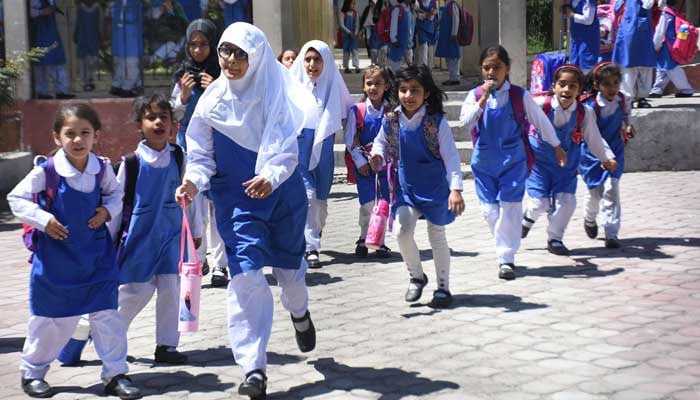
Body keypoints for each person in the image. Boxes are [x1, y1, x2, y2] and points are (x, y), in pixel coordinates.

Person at [174, 22, 319, 400]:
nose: (231, 61)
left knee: (290, 274)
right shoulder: (211, 102)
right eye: (226, 52)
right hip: (237, 202)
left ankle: (299, 313)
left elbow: (287, 150)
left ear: (256, 58)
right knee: (246, 278)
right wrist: (193, 180)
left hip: (282, 197)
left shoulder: (276, 95)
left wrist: (270, 177)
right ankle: (253, 367)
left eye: (240, 54)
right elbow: (201, 154)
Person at [7, 103, 140, 399]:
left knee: (107, 316)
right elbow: (16, 198)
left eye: (85, 133)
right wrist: (44, 219)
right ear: (57, 138)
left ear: (95, 136)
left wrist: (107, 210)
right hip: (56, 262)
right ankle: (33, 372)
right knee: (50, 320)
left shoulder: (102, 168)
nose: (78, 140)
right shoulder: (48, 170)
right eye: (70, 134)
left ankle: (116, 373)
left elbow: (116, 194)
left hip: (96, 257)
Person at [108, 94, 203, 366]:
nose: (159, 122)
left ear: (174, 124)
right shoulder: (130, 164)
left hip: (172, 237)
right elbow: (117, 205)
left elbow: (190, 197)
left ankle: (167, 346)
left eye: (164, 117)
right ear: (139, 124)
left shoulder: (179, 156)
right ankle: (108, 335)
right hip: (140, 239)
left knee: (172, 290)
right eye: (151, 117)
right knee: (135, 291)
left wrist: (195, 231)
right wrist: (109, 241)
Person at [459, 45, 566, 281]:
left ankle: (506, 258)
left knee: (510, 207)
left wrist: (556, 145)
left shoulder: (519, 95)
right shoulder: (476, 95)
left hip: (513, 161)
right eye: (486, 67)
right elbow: (464, 122)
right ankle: (505, 241)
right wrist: (483, 100)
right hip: (484, 162)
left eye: (496, 67)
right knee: (489, 211)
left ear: (506, 68)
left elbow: (540, 120)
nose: (491, 72)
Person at [369, 64, 464, 308]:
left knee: (437, 236)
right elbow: (380, 143)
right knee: (401, 231)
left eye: (415, 90)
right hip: (406, 189)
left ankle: (443, 287)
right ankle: (417, 276)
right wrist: (377, 155)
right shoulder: (391, 120)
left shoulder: (436, 123)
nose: (408, 96)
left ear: (427, 94)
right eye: (403, 90)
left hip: (435, 190)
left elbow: (452, 157)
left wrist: (455, 189)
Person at [521, 65, 617, 255]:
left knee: (568, 203)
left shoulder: (584, 112)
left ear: (579, 89)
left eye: (573, 86)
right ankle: (527, 219)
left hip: (566, 166)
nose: (567, 90)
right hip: (539, 163)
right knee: (539, 203)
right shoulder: (540, 104)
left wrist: (606, 157)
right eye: (562, 84)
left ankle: (555, 238)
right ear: (554, 86)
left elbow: (593, 137)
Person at [171, 18, 227, 285]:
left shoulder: (222, 74)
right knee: (195, 209)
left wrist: (214, 87)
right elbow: (173, 113)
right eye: (192, 45)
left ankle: (220, 265)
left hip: (218, 148)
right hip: (189, 150)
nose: (197, 50)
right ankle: (198, 258)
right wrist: (182, 97)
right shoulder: (183, 75)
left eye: (204, 44)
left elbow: (231, 110)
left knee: (218, 207)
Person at [289, 40, 354, 268]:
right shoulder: (292, 86)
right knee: (307, 197)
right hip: (299, 149)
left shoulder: (333, 86)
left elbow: (348, 114)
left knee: (321, 200)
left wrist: (356, 149)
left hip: (324, 150)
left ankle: (315, 232)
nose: (312, 64)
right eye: (307, 59)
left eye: (317, 59)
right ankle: (310, 247)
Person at [580, 61, 636, 248]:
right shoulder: (591, 106)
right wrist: (604, 156)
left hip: (616, 148)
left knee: (612, 188)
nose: (612, 88)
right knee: (595, 192)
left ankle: (611, 233)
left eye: (615, 83)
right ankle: (589, 218)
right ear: (597, 85)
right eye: (606, 84)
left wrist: (628, 125)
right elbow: (592, 133)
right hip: (592, 153)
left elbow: (627, 115)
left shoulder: (623, 98)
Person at [344, 65, 394, 258]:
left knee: (383, 203)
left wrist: (385, 159)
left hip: (385, 166)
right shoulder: (357, 110)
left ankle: (379, 241)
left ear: (386, 86)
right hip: (364, 166)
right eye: (369, 83)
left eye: (378, 84)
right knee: (367, 204)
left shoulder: (391, 112)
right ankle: (364, 236)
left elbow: (395, 138)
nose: (373, 88)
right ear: (364, 86)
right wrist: (360, 162)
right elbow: (350, 138)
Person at [612, 0, 657, 108]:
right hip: (637, 30)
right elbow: (649, 4)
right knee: (640, 67)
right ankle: (635, 98)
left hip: (632, 29)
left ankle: (630, 98)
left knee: (631, 67)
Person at [649, 0, 695, 98]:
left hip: (667, 47)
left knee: (672, 68)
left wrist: (655, 46)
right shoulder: (674, 13)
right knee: (662, 67)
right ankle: (657, 90)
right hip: (672, 45)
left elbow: (660, 33)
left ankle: (686, 89)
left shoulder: (665, 15)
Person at [29, 0, 75, 99]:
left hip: (51, 30)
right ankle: (42, 92)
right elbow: (29, 12)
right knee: (41, 62)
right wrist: (42, 12)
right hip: (39, 31)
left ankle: (62, 91)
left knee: (58, 61)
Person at [111, 0, 143, 98]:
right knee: (119, 61)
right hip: (120, 36)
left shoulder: (135, 3)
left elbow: (133, 18)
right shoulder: (117, 4)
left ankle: (128, 86)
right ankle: (118, 84)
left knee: (131, 62)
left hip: (131, 36)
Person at [563, 0, 600, 75]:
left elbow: (589, 20)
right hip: (577, 40)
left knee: (586, 68)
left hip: (588, 40)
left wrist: (572, 15)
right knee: (575, 68)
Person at [73, 0, 102, 92]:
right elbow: (77, 22)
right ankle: (85, 82)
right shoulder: (79, 8)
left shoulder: (98, 8)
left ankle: (91, 80)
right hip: (82, 36)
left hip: (93, 36)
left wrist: (101, 35)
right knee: (83, 60)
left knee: (93, 59)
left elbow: (100, 23)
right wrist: (75, 33)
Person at [435, 0, 461, 85]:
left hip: (451, 35)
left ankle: (454, 78)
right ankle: (452, 77)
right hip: (446, 35)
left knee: (453, 57)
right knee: (448, 56)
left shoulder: (452, 5)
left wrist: (454, 33)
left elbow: (455, 19)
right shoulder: (447, 5)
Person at [388, 0, 415, 72]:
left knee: (407, 69)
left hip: (407, 44)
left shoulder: (410, 10)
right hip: (398, 43)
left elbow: (411, 28)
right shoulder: (397, 9)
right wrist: (393, 39)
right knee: (396, 67)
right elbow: (393, 25)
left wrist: (410, 39)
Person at [414, 0, 438, 70]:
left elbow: (435, 13)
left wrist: (428, 14)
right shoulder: (418, 1)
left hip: (431, 28)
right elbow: (417, 15)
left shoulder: (434, 2)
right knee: (423, 47)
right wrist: (427, 14)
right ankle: (424, 69)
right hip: (421, 28)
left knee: (430, 50)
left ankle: (429, 69)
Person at [340, 0, 361, 73]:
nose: (354, 5)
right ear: (347, 4)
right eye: (352, 4)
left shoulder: (356, 13)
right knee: (346, 51)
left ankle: (357, 67)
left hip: (354, 36)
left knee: (355, 51)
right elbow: (342, 25)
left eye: (354, 4)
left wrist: (355, 33)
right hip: (346, 36)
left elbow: (357, 24)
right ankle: (346, 67)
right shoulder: (343, 13)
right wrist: (349, 33)